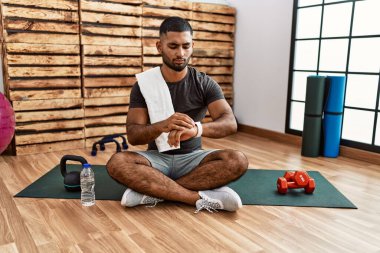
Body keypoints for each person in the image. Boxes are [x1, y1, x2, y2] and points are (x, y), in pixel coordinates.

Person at [106, 16, 248, 213]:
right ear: (159, 46)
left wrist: (196, 129)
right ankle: (194, 198)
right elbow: (134, 135)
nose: (180, 53)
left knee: (237, 160)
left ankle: (155, 191)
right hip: (155, 159)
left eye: (186, 46)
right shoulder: (143, 85)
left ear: (192, 46)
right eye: (173, 46)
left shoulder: (204, 83)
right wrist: (161, 126)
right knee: (117, 163)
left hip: (193, 159)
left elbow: (230, 122)